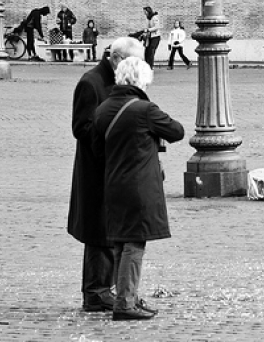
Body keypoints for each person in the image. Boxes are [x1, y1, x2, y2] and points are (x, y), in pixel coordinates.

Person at [92, 57, 185, 321]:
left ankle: (127, 297)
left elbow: (98, 150)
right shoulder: (144, 109)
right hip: (139, 186)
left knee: (122, 241)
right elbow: (176, 130)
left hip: (113, 183)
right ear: (140, 80)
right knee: (135, 243)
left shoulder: (103, 109)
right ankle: (125, 303)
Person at [68, 36, 145, 313]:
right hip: (97, 168)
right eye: (134, 61)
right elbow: (82, 127)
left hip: (116, 167)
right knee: (98, 229)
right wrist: (113, 140)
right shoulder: (91, 82)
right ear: (116, 59)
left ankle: (107, 288)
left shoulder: (122, 80)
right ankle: (95, 291)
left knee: (113, 228)